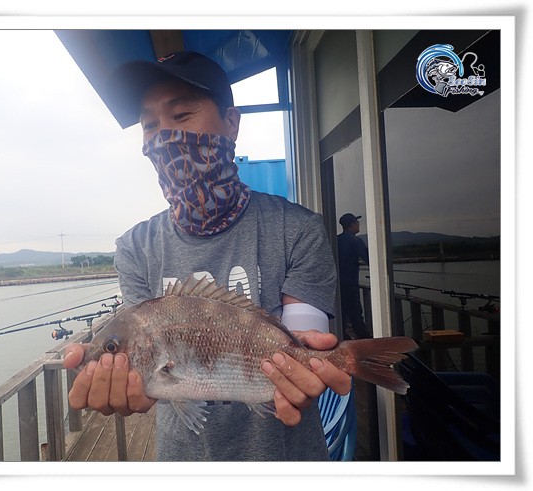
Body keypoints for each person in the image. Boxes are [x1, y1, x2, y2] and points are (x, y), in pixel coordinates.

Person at [63, 51, 351, 461]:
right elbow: (141, 348)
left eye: (181, 115)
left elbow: (302, 337)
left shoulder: (298, 229)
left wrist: (307, 367)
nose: (164, 137)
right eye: (149, 125)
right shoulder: (134, 248)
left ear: (231, 123)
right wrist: (129, 385)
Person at [337, 213, 371, 339]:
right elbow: (369, 259)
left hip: (338, 284)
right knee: (355, 313)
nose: (359, 225)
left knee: (341, 313)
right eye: (357, 223)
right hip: (350, 284)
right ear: (352, 225)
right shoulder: (356, 241)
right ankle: (365, 339)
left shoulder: (336, 240)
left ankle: (342, 337)